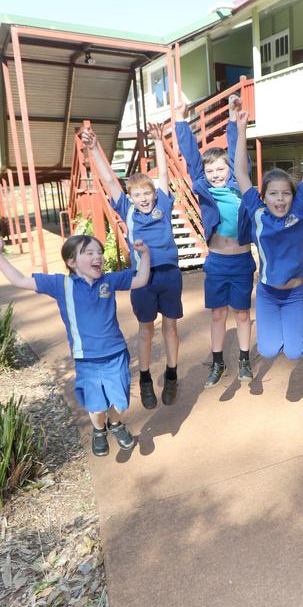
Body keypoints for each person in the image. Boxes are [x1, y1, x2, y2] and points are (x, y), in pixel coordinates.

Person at [0, 233, 151, 456]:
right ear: (71, 262)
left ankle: (116, 424)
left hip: (116, 354)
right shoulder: (61, 284)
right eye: (89, 253)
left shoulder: (108, 280)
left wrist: (145, 255)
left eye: (99, 252)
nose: (97, 256)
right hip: (86, 359)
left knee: (120, 403)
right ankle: (99, 430)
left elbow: (140, 280)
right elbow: (20, 280)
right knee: (97, 407)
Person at [81, 123, 182, 409]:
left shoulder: (162, 204)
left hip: (170, 276)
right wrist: (93, 148)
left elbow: (163, 174)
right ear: (131, 198)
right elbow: (110, 181)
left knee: (171, 328)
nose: (144, 198)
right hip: (143, 279)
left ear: (153, 193)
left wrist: (159, 142)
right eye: (137, 195)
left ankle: (172, 374)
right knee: (146, 329)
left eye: (146, 193)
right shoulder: (128, 211)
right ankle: (146, 378)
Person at [175, 95, 255, 386]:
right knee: (218, 315)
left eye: (220, 169)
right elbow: (191, 157)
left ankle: (244, 360)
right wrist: (182, 120)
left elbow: (236, 155)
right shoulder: (203, 187)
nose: (216, 174)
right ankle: (218, 362)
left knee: (243, 314)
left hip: (242, 261)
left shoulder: (237, 184)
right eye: (211, 171)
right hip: (217, 262)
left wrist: (233, 120)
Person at [234, 106, 303, 361]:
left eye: (285, 193)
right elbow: (240, 173)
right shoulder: (258, 213)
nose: (280, 199)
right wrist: (241, 132)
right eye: (273, 193)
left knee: (294, 353)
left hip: (294, 293)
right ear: (264, 196)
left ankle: (299, 317)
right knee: (268, 351)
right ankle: (288, 323)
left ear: (293, 196)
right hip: (267, 293)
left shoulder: (300, 209)